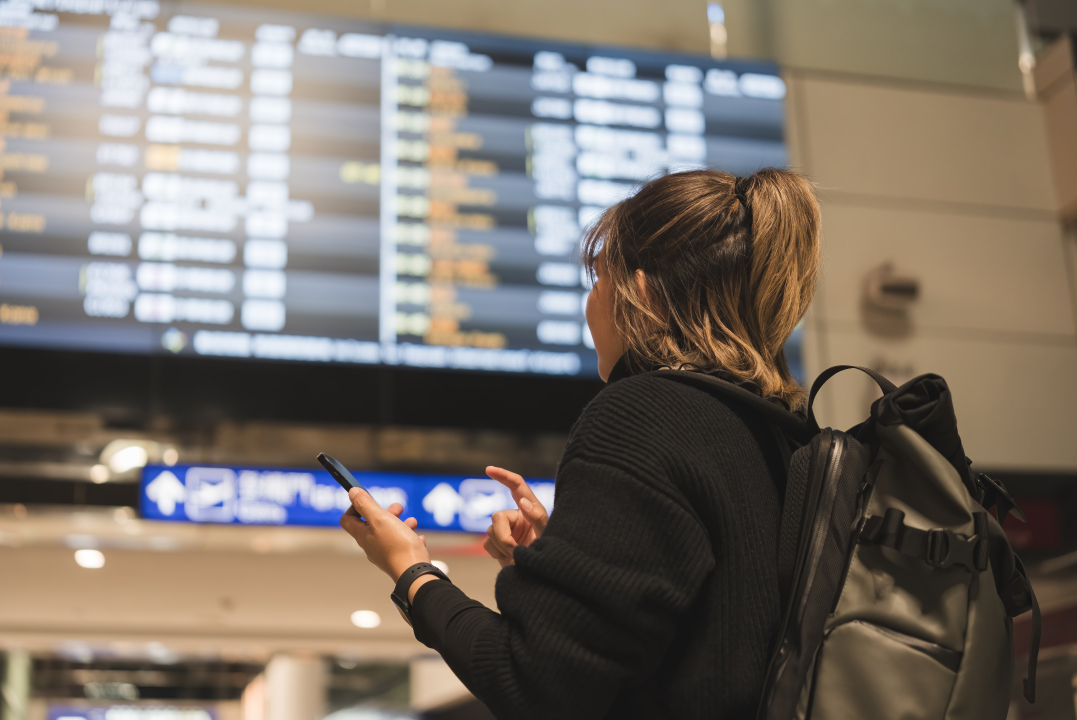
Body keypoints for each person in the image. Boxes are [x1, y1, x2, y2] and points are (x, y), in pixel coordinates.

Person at [341, 168, 821, 719]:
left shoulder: (642, 412)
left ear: (638, 293)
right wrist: (565, 559)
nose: (590, 306)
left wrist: (412, 572)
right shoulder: (779, 431)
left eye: (597, 281)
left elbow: (533, 684)